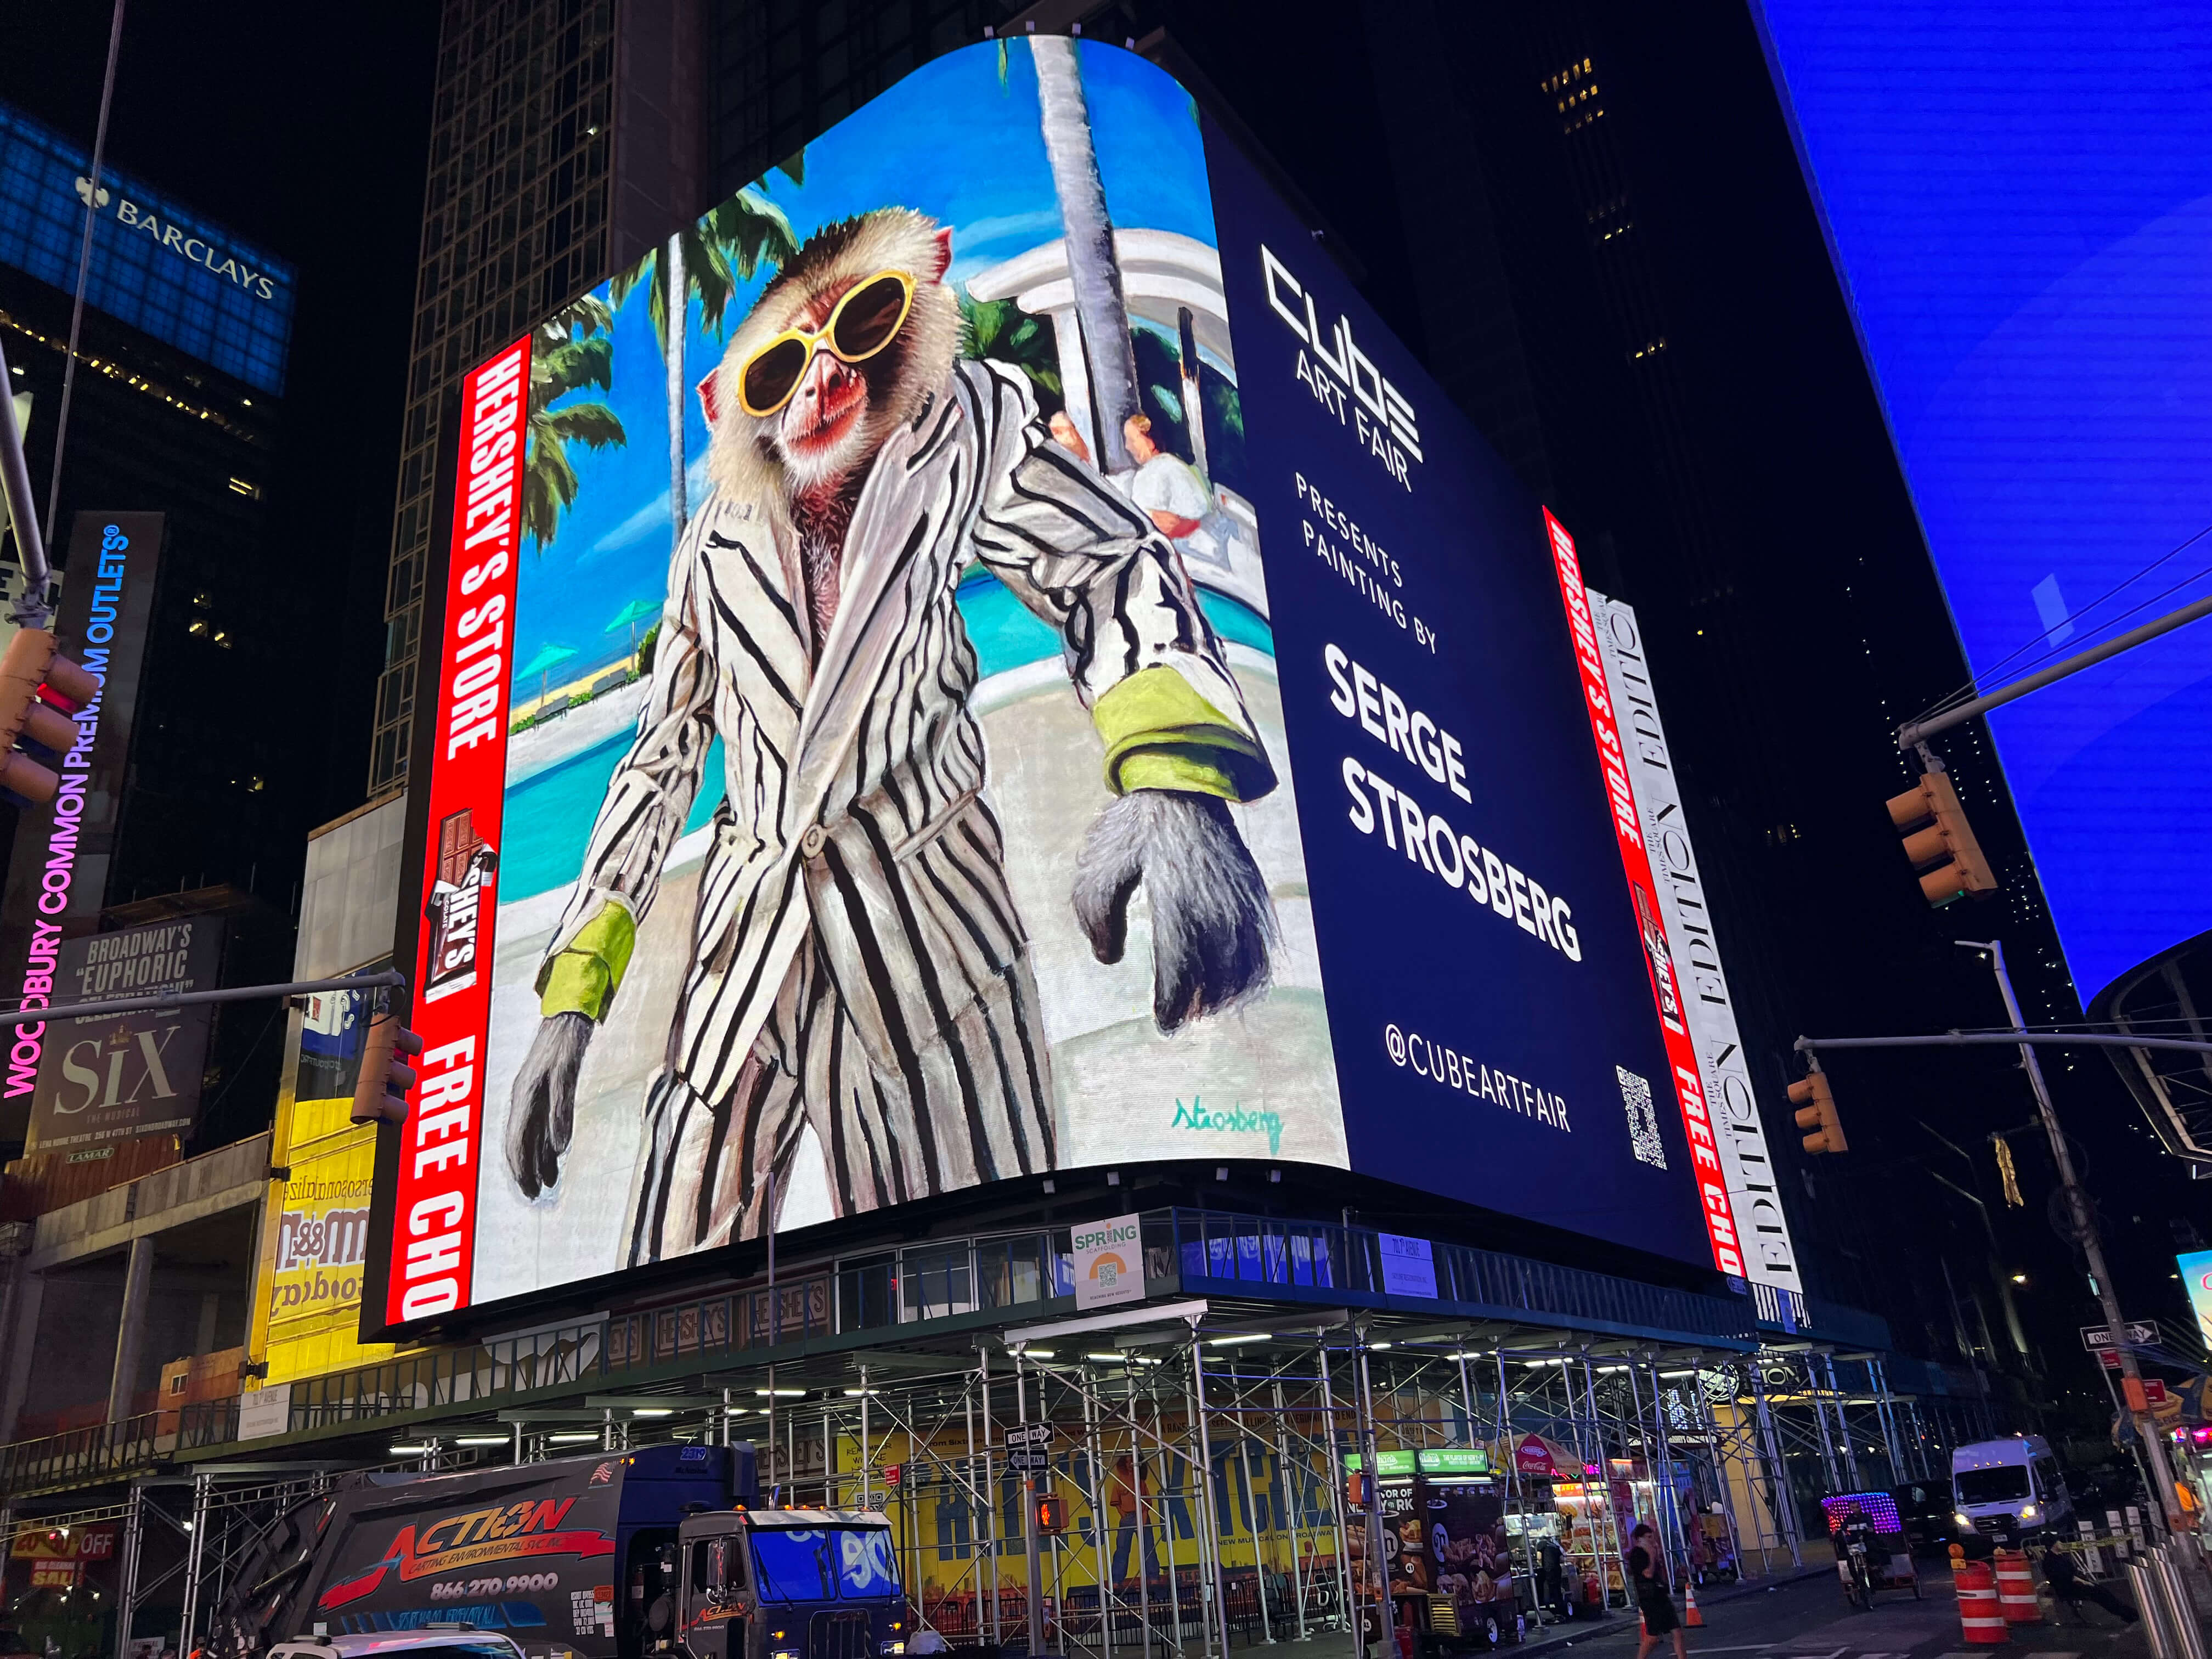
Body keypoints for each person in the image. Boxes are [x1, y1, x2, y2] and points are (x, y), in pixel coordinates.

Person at [1120, 414, 1210, 540]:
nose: (1127, 446)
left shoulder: (1163, 469)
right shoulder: (1156, 468)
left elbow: (1184, 521)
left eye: (1132, 439)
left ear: (1150, 440)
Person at [1628, 1522, 1685, 1659]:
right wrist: (1652, 1555)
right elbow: (1648, 1573)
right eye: (1648, 1537)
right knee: (1652, 1638)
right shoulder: (1638, 1554)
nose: (1651, 1540)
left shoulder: (1651, 1550)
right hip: (1649, 1598)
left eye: (1652, 1537)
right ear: (1639, 1539)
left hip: (1660, 1595)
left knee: (1677, 1631)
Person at [2044, 1543, 2138, 1626]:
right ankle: (2127, 1614)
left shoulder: (2057, 1557)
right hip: (2069, 1588)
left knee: (2102, 1592)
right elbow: (2067, 1576)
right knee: (2100, 1594)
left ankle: (2127, 1613)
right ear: (2054, 1544)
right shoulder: (2052, 1560)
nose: (2061, 1543)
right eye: (2058, 1542)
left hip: (2073, 1585)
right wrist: (2085, 1582)